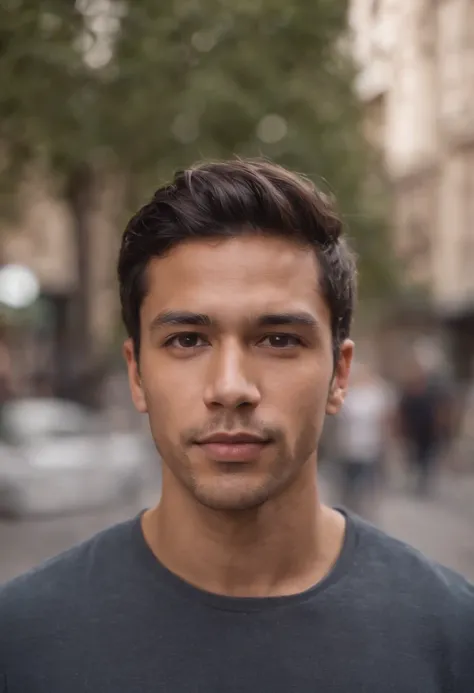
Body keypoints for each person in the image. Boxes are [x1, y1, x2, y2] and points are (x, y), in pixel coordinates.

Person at [0, 159, 473, 692]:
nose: (230, 386)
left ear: (339, 375)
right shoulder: (20, 644)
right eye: (187, 340)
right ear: (137, 373)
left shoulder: (452, 638)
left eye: (278, 340)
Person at [335, 362, 393, 519]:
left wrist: (385, 442)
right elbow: (341, 420)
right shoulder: (349, 395)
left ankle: (365, 512)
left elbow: (384, 420)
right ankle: (347, 509)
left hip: (370, 445)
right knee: (348, 481)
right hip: (349, 446)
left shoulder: (376, 394)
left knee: (367, 481)